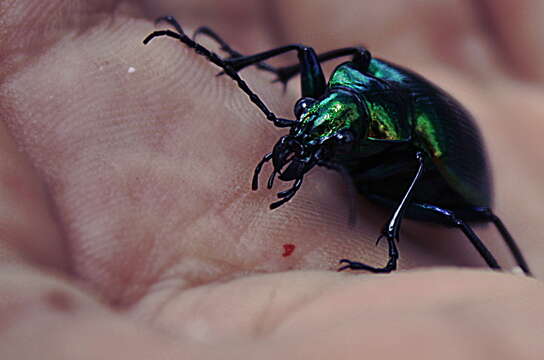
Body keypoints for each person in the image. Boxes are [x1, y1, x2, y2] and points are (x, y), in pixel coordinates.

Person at [0, 1, 543, 358]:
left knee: (476, 216)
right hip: (382, 120)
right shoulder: (352, 87)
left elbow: (423, 167)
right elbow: (325, 73)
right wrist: (256, 75)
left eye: (325, 145)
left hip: (447, 180)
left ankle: (511, 271)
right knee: (310, 57)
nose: (298, 149)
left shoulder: (403, 142)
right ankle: (246, 68)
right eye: (307, 115)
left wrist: (395, 247)